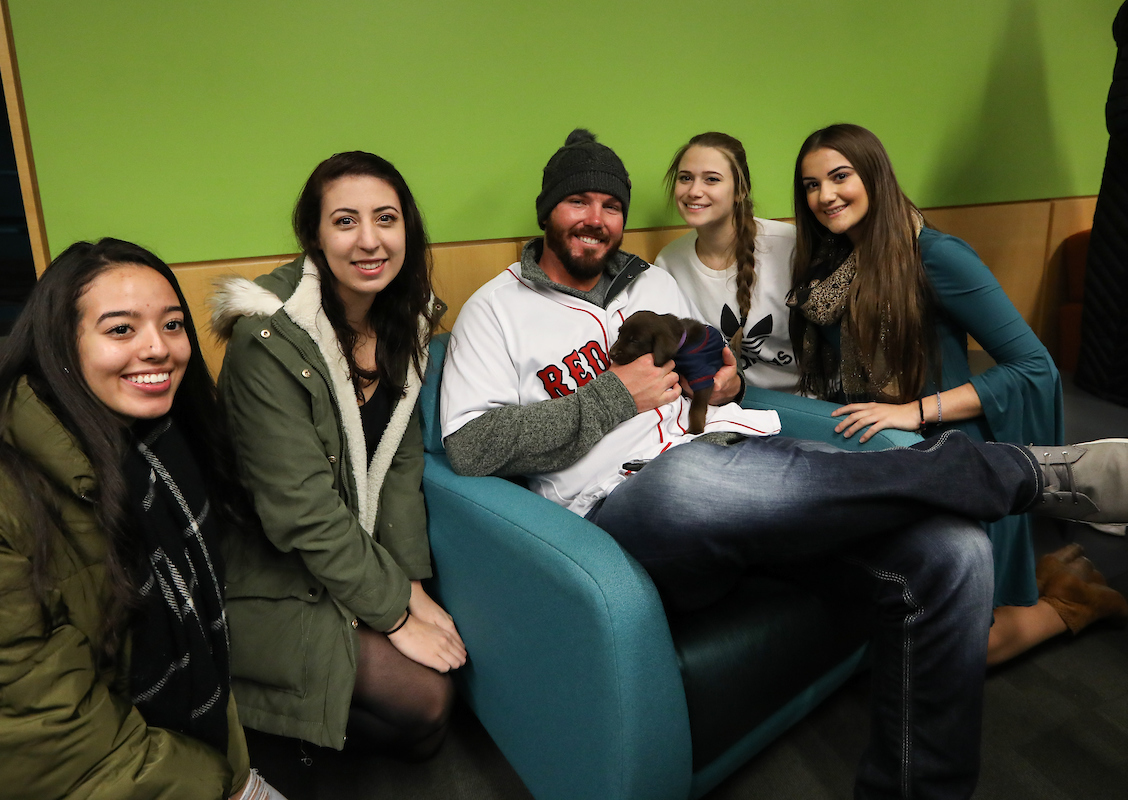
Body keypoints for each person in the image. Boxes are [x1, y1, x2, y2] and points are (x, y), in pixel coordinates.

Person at [439, 128, 1128, 800]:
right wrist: (615, 395)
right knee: (688, 479)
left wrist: (721, 376)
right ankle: (1017, 474)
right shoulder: (494, 311)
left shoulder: (651, 281)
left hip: (749, 467)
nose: (595, 219)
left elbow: (710, 368)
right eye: (577, 201)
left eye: (610, 205)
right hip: (637, 505)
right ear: (547, 211)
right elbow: (471, 448)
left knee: (954, 552)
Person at [0, 239, 284, 799]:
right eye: (121, 330)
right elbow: (41, 748)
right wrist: (228, 788)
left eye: (172, 325)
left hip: (156, 749)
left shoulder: (157, 444)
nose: (158, 348)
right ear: (59, 345)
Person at [789, 123, 1128, 663]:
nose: (825, 196)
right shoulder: (829, 262)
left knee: (949, 651)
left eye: (839, 176)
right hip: (882, 450)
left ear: (873, 175)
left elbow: (1034, 366)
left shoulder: (936, 255)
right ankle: (1049, 571)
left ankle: (1074, 600)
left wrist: (914, 411)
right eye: (810, 185)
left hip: (952, 452)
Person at [212, 151, 467, 775]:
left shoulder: (404, 320)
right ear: (314, 236)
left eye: (386, 218)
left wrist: (408, 580)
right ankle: (237, 719)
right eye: (345, 221)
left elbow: (400, 466)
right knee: (427, 706)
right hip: (268, 565)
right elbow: (299, 511)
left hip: (344, 552)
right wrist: (395, 611)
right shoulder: (266, 338)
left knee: (439, 707)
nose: (370, 240)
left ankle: (294, 726)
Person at [654, 132, 798, 391]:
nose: (694, 191)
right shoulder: (668, 262)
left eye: (711, 179)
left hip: (807, 400)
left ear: (740, 191)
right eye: (686, 178)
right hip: (728, 405)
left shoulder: (790, 245)